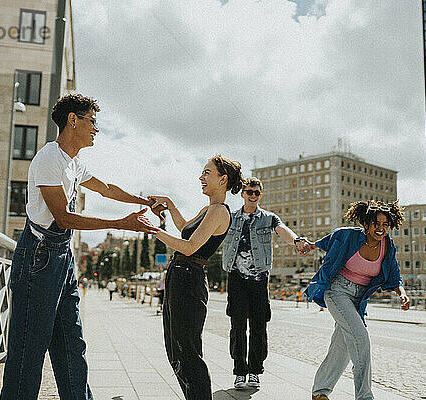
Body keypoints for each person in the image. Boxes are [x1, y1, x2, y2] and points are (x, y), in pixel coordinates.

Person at [1, 94, 161, 400]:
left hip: (62, 259)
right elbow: (64, 216)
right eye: (93, 121)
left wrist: (145, 201)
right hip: (39, 257)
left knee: (71, 341)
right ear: (73, 120)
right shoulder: (48, 160)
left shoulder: (73, 162)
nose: (96, 129)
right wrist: (120, 223)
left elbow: (107, 189)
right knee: (28, 351)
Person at [149, 155, 244, 400]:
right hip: (179, 275)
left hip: (189, 279)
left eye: (207, 173)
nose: (201, 177)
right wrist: (169, 203)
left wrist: (152, 231)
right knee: (175, 349)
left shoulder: (220, 211)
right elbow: (184, 228)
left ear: (222, 179)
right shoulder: (208, 209)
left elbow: (190, 246)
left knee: (187, 351)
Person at [303, 200, 410, 400]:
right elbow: (331, 239)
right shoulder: (349, 236)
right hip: (337, 291)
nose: (381, 228)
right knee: (360, 338)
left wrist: (402, 293)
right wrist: (311, 245)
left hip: (358, 299)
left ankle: (320, 392)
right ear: (367, 224)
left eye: (385, 224)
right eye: (376, 224)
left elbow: (394, 273)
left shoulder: (387, 245)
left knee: (342, 345)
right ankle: (365, 396)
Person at [222, 177, 310, 389]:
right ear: (242, 193)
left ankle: (255, 370)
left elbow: (283, 231)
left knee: (259, 327)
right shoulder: (230, 217)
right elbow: (213, 233)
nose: (252, 195)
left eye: (256, 193)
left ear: (260, 195)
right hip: (236, 279)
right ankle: (239, 371)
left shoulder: (268, 218)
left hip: (259, 279)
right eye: (249, 192)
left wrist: (297, 240)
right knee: (238, 326)